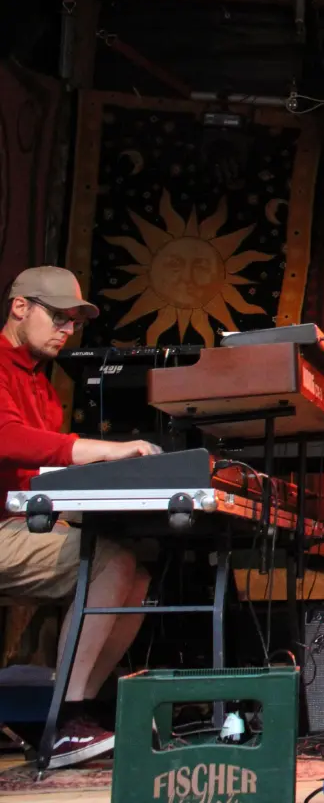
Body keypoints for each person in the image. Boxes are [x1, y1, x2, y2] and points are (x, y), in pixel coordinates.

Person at [0, 266, 158, 767]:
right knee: (108, 561)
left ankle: (76, 713)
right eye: (59, 317)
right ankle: (67, 719)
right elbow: (10, 440)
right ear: (20, 307)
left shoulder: (41, 386)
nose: (67, 331)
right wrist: (104, 452)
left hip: (17, 524)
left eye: (75, 323)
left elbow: (38, 478)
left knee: (137, 572)